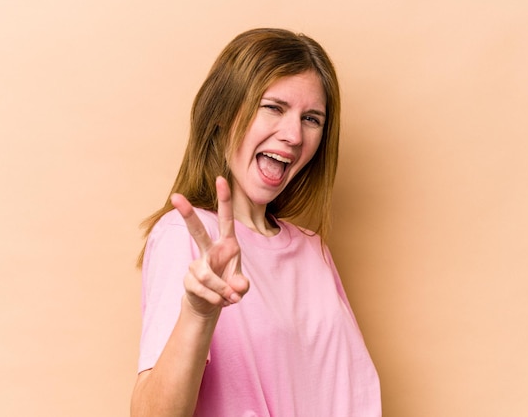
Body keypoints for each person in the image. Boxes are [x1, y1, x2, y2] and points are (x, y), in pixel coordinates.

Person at [130, 28, 381, 417]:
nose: (294, 135)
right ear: (222, 113)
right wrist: (198, 313)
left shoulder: (312, 248)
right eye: (274, 107)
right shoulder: (186, 236)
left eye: (311, 118)